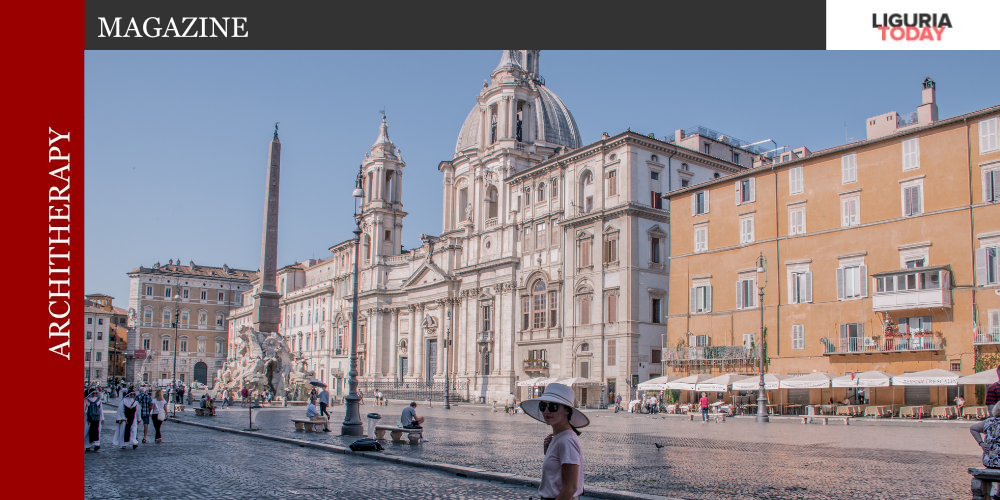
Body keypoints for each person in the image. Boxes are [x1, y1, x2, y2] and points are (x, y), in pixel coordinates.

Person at [519, 383, 586, 500]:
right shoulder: (559, 438)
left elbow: (571, 488)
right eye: (543, 406)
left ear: (567, 410)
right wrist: (549, 454)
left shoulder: (567, 440)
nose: (546, 411)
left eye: (553, 406)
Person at [971, 403, 1000, 499]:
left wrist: (981, 443)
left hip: (990, 460)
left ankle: (995, 494)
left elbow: (973, 428)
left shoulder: (989, 422)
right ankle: (998, 494)